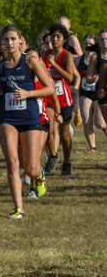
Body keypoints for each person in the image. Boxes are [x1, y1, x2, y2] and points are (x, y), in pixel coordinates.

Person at [0, 23, 54, 219]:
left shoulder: (30, 62)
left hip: (29, 117)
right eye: (6, 39)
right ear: (1, 43)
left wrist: (29, 93)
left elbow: (50, 88)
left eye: (13, 39)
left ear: (21, 41)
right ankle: (19, 209)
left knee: (30, 168)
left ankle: (39, 174)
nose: (9, 42)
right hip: (7, 118)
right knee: (12, 162)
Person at [43, 24, 78, 175]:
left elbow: (70, 77)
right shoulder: (45, 54)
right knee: (49, 128)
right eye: (53, 36)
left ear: (64, 40)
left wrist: (54, 64)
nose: (55, 39)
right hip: (48, 98)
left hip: (64, 99)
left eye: (58, 36)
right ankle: (53, 155)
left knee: (65, 136)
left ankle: (67, 162)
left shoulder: (67, 55)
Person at [79, 32, 106, 152]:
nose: (105, 41)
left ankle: (105, 129)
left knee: (99, 123)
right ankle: (92, 147)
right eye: (102, 39)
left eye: (106, 38)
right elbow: (88, 78)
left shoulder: (96, 57)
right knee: (87, 120)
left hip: (99, 93)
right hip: (92, 93)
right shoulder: (88, 58)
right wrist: (93, 79)